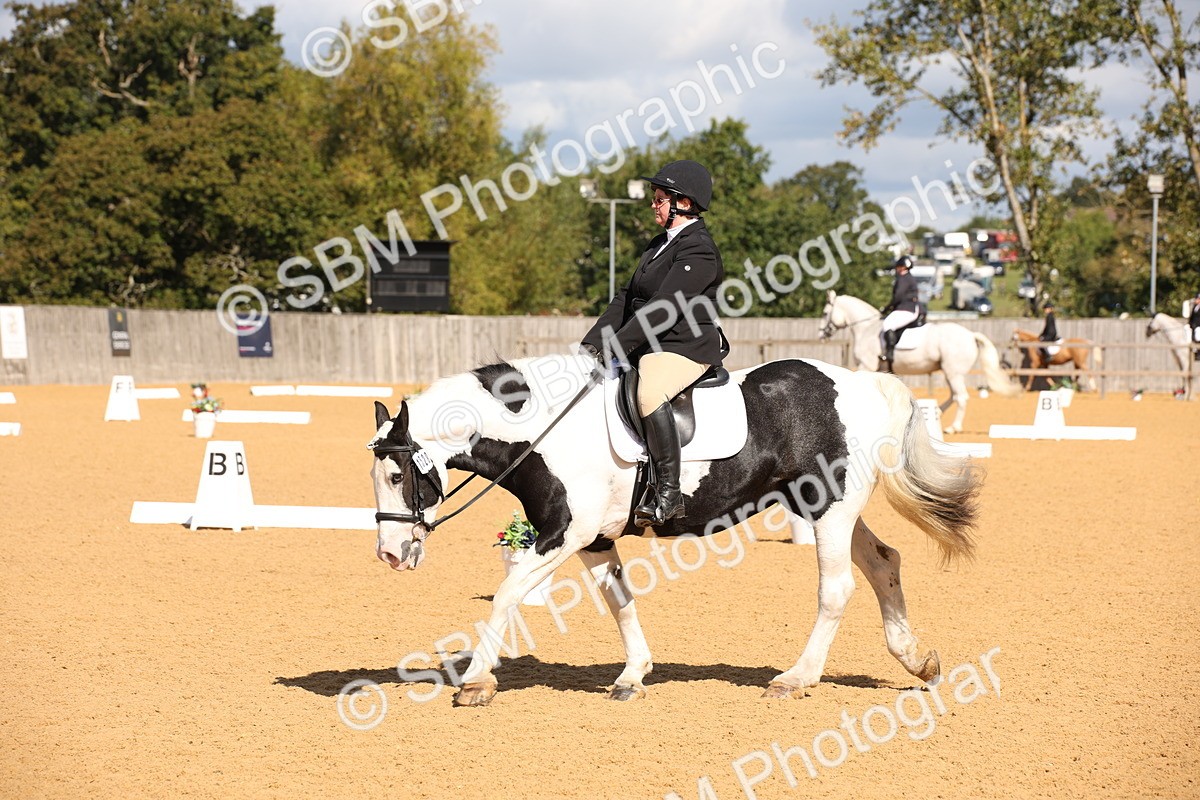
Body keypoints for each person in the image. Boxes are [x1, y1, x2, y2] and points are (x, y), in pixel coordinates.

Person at [579, 160, 725, 527]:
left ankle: (668, 493)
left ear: (685, 204)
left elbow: (664, 309)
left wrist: (618, 346)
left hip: (684, 347)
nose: (653, 205)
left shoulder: (699, 250)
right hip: (648, 344)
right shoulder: (659, 244)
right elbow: (625, 297)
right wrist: (593, 344)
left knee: (649, 392)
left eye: (660, 199)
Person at [878, 255, 920, 373]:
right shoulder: (908, 278)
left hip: (906, 309)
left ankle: (889, 354)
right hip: (907, 308)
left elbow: (898, 296)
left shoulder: (903, 279)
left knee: (887, 324)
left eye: (898, 267)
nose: (896, 270)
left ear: (901, 267)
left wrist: (887, 307)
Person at [1039, 300, 1059, 369]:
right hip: (1051, 333)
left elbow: (1047, 327)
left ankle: (1048, 356)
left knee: (1041, 343)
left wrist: (1042, 335)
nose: (1045, 310)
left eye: (1046, 309)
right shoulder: (1051, 316)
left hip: (1051, 333)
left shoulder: (1049, 316)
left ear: (1050, 309)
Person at [1189, 291, 1200, 360]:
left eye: (1197, 299)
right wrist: (1189, 323)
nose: (1196, 300)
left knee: (1198, 334)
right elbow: (1192, 317)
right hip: (1193, 326)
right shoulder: (1195, 307)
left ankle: (1198, 353)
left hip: (1198, 326)